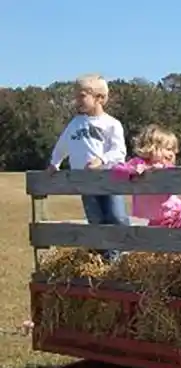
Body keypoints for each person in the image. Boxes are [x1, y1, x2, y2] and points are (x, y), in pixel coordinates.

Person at [47, 74, 130, 263]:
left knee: (116, 216)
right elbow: (62, 145)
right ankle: (104, 259)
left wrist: (102, 159)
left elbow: (119, 152)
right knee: (95, 219)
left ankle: (122, 256)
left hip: (108, 180)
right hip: (85, 182)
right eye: (76, 96)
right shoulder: (76, 124)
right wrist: (55, 162)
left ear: (99, 98)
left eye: (82, 96)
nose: (77, 101)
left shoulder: (112, 124)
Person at [111, 124, 181, 228]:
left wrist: (161, 171)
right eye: (168, 149)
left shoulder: (167, 167)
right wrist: (133, 171)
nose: (172, 154)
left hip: (177, 214)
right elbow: (116, 169)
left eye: (174, 150)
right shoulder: (138, 163)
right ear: (152, 148)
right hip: (155, 219)